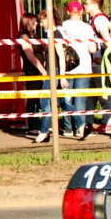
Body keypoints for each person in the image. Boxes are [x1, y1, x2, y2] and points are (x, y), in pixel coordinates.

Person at [33, 8, 73, 144]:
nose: (41, 23)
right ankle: (80, 122)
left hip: (54, 71)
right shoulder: (54, 34)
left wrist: (62, 76)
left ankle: (44, 131)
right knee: (61, 102)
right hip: (53, 70)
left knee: (45, 101)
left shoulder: (56, 35)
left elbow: (61, 57)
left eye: (42, 20)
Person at [59, 0, 95, 139]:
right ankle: (80, 128)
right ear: (81, 12)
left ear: (68, 12)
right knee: (80, 100)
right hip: (84, 67)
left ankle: (68, 128)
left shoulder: (62, 27)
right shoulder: (87, 28)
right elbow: (92, 49)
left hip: (66, 67)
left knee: (67, 98)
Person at [83, 0, 111, 133]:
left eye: (87, 3)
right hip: (94, 64)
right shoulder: (94, 19)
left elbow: (108, 40)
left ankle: (107, 123)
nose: (85, 5)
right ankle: (88, 122)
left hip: (100, 64)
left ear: (95, 5)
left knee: (104, 94)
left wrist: (105, 58)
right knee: (91, 94)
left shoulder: (100, 20)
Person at [17, 13, 45, 135]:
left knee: (39, 99)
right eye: (34, 22)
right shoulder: (24, 37)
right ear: (28, 23)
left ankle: (39, 124)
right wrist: (42, 71)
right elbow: (31, 57)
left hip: (38, 70)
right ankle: (32, 126)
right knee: (32, 99)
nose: (37, 24)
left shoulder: (34, 35)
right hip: (32, 71)